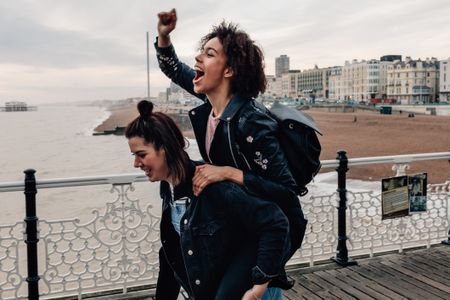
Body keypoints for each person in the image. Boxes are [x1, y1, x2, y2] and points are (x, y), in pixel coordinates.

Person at [155, 9, 307, 299]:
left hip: (273, 227)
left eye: (209, 54)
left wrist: (227, 172)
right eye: (201, 52)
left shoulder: (252, 122)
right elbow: (173, 68)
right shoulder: (213, 102)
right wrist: (163, 35)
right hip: (243, 218)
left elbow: (287, 192)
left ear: (229, 70)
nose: (198, 58)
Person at [126, 100, 292, 300]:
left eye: (141, 155)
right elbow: (172, 253)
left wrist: (258, 287)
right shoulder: (168, 188)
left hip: (251, 292)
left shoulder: (211, 185)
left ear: (166, 148)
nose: (136, 163)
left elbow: (275, 223)